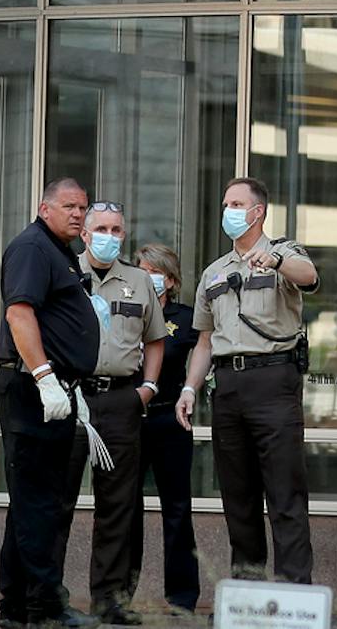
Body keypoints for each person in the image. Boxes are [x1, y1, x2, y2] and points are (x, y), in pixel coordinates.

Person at [175, 177, 319, 584]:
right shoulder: (214, 273)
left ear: (259, 212)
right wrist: (189, 388)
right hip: (228, 387)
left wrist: (273, 261)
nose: (229, 211)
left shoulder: (282, 253)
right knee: (238, 497)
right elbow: (205, 339)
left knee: (284, 494)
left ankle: (294, 592)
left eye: (237, 204)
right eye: (226, 204)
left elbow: (308, 275)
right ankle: (247, 591)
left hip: (273, 380)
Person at [0, 178, 101, 629]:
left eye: (83, 207)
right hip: (33, 390)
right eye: (69, 206)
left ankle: (17, 607)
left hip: (53, 389)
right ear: (45, 208)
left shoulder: (58, 252)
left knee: (30, 503)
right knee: (41, 505)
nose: (78, 214)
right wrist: (45, 378)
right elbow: (19, 313)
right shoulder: (34, 247)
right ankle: (46, 608)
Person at [52, 202, 165, 626]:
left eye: (117, 229)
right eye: (101, 227)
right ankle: (51, 598)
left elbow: (155, 339)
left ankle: (110, 600)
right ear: (85, 233)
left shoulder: (139, 281)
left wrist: (148, 388)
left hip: (120, 401)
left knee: (118, 504)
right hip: (70, 398)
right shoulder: (62, 273)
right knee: (58, 500)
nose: (109, 235)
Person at [128, 243, 200, 614]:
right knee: (125, 509)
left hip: (170, 420)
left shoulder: (185, 318)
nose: (147, 278)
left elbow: (207, 355)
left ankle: (183, 598)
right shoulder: (126, 310)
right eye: (141, 270)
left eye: (154, 272)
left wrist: (192, 390)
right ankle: (119, 596)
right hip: (129, 420)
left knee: (176, 509)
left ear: (170, 280)